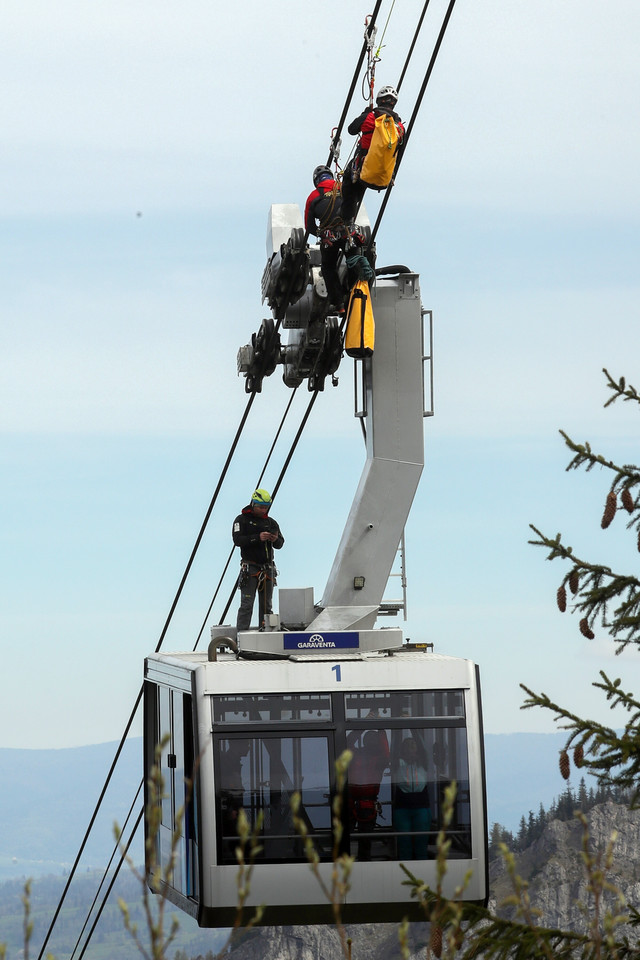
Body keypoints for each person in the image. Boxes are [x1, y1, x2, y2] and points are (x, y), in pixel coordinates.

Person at [341, 85, 405, 223]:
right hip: (385, 177)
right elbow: (399, 153)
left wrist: (364, 114)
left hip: (362, 169)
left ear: (379, 100)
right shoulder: (399, 127)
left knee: (348, 186)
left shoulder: (370, 116)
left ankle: (345, 221)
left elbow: (351, 130)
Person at [232, 488, 284, 632]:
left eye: (266, 507)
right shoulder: (241, 520)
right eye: (261, 507)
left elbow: (280, 544)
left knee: (266, 605)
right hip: (250, 568)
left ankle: (266, 633)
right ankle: (241, 636)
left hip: (267, 569)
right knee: (247, 604)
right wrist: (257, 537)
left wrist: (274, 539)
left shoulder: (271, 523)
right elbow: (237, 540)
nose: (263, 510)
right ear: (253, 504)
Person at [304, 164, 348, 311]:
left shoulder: (313, 196)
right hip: (349, 233)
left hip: (329, 238)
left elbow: (309, 226)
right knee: (354, 259)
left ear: (317, 181)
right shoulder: (342, 187)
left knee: (328, 267)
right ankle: (356, 293)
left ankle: (339, 303)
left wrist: (321, 234)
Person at [347, 729, 390, 860]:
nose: (371, 739)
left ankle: (363, 864)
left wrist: (380, 729)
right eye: (369, 737)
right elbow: (347, 743)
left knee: (365, 840)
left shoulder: (380, 759)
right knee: (345, 838)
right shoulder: (355, 754)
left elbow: (386, 751)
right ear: (364, 740)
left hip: (368, 804)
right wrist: (362, 726)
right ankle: (344, 864)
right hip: (352, 802)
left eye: (374, 737)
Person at [392, 736, 432, 860]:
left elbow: (423, 749)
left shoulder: (423, 763)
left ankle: (422, 873)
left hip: (421, 808)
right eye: (407, 747)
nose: (411, 749)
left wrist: (415, 729)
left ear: (417, 751)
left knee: (421, 845)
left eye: (413, 746)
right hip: (402, 808)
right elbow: (394, 748)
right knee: (404, 846)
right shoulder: (397, 763)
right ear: (402, 751)